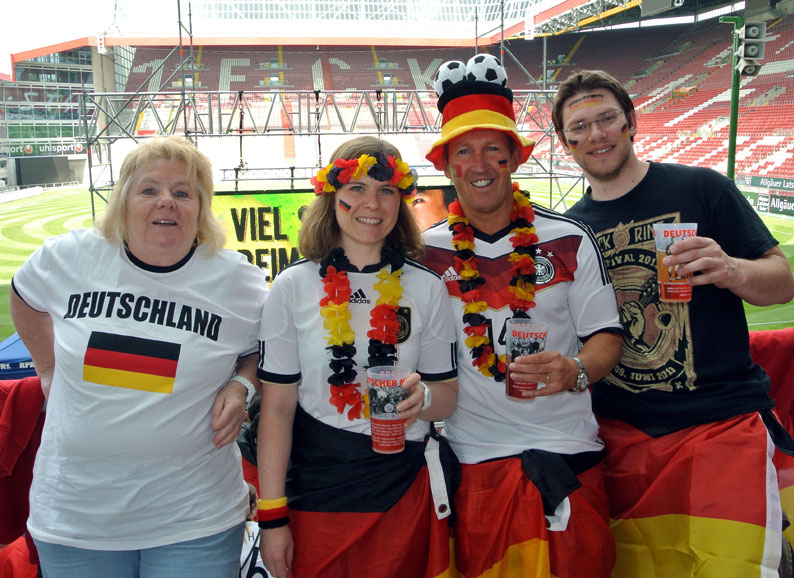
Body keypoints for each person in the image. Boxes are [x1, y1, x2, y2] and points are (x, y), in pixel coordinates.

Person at [556, 69, 794, 577]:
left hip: (719, 426)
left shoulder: (702, 187)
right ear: (566, 143)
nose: (596, 134)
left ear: (631, 123)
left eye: (607, 118)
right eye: (580, 127)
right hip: (621, 438)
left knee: (736, 567)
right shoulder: (569, 231)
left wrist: (732, 269)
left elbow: (781, 282)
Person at [9, 136, 268, 577]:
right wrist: (47, 368)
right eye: (149, 190)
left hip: (195, 520)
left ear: (201, 207)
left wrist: (242, 383)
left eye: (182, 192)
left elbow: (264, 351)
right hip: (77, 519)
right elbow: (25, 297)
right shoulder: (70, 257)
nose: (166, 201)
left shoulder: (238, 282)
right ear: (123, 200)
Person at [422, 56, 623, 578]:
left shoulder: (569, 238)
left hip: (570, 452)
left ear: (514, 156)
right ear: (447, 165)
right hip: (474, 460)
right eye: (464, 151)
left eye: (493, 147)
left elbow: (605, 337)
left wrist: (574, 370)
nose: (480, 163)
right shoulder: (423, 253)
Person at [256, 136, 459, 578]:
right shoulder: (292, 285)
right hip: (317, 492)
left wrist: (422, 397)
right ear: (332, 195)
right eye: (357, 188)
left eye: (386, 190)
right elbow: (276, 410)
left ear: (400, 200)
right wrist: (273, 517)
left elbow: (447, 396)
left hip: (402, 490)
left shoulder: (426, 287)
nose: (373, 203)